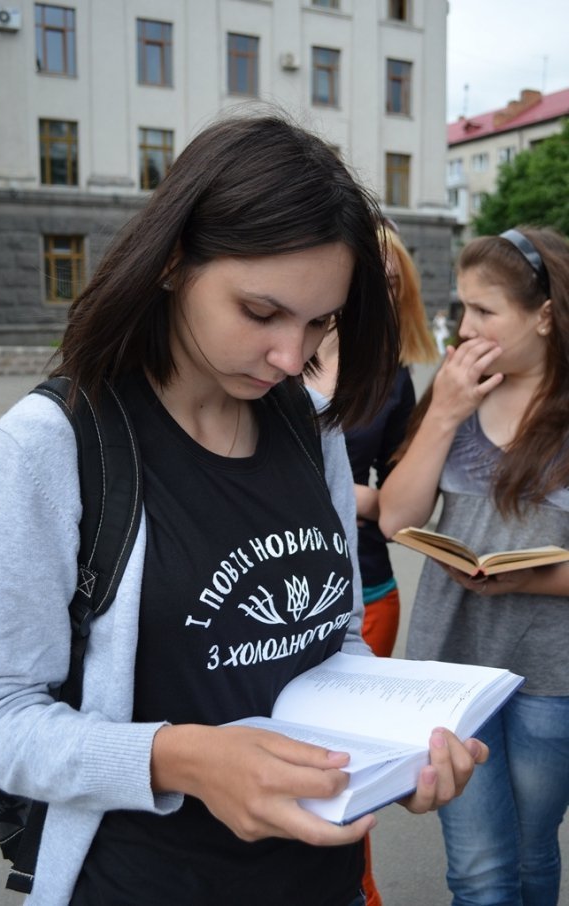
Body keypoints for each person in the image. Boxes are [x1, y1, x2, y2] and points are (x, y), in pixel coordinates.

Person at [0, 114, 487, 906]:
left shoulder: (305, 426)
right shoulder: (54, 445)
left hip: (325, 882)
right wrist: (180, 759)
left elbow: (332, 633)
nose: (292, 357)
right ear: (174, 263)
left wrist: (396, 754)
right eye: (261, 312)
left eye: (320, 323)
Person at [379, 226, 569, 905]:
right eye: (462, 308)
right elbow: (397, 519)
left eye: (484, 311)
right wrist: (443, 414)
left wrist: (532, 577)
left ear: (544, 315)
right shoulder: (457, 390)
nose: (465, 329)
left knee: (531, 852)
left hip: (553, 674)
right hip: (452, 667)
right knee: (482, 874)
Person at [307, 227, 438, 905]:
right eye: (371, 281)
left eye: (394, 285)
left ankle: (357, 890)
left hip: (368, 591)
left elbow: (401, 502)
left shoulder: (392, 376)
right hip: (270, 595)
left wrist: (347, 492)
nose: (381, 296)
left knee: (343, 767)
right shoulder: (280, 355)